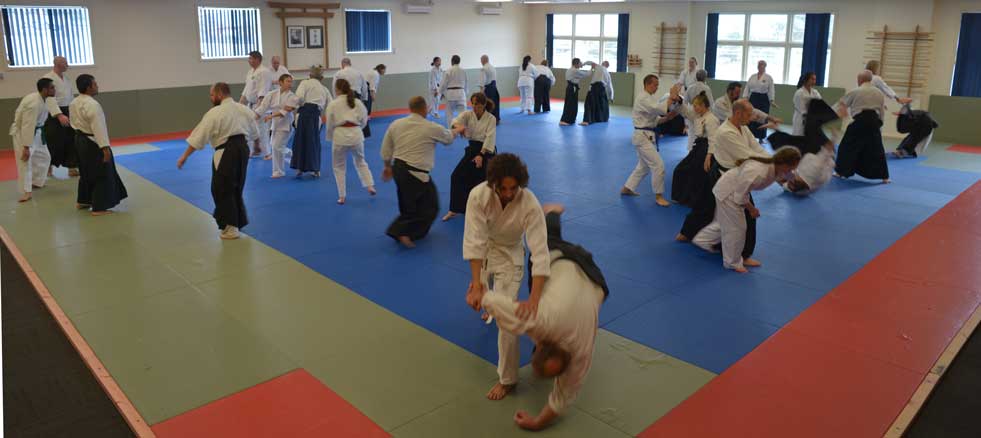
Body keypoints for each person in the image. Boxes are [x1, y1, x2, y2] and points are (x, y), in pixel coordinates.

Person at [466, 203, 608, 431]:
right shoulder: (551, 327)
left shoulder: (577, 353)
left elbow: (563, 397)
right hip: (573, 267)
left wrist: (536, 423)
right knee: (543, 257)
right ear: (542, 342)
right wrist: (481, 297)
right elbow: (507, 307)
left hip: (589, 275)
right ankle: (552, 212)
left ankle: (552, 215)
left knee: (544, 256)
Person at [462, 152, 550, 401]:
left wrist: (534, 299)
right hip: (486, 249)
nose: (509, 193)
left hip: (511, 254)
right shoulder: (478, 195)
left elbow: (540, 252)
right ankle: (489, 300)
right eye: (504, 188)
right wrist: (478, 283)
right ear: (493, 184)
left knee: (507, 320)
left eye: (514, 188)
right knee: (480, 295)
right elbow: (474, 241)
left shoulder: (529, 202)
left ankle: (508, 380)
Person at [677, 100, 772, 268]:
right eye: (749, 114)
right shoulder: (726, 132)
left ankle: (744, 252)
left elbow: (757, 149)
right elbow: (747, 155)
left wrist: (773, 160)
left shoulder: (743, 128)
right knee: (705, 207)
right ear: (738, 113)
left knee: (720, 213)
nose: (751, 117)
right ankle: (687, 232)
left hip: (734, 175)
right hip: (722, 175)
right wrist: (773, 164)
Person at [692, 147, 801, 273]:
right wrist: (752, 209)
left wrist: (799, 181)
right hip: (729, 192)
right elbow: (740, 196)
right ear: (784, 163)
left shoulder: (776, 165)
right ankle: (732, 263)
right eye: (791, 167)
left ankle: (703, 240)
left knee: (726, 223)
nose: (792, 170)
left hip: (732, 188)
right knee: (737, 228)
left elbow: (789, 174)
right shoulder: (759, 172)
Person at [178, 82, 260, 239]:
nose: (211, 97)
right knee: (236, 186)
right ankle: (237, 221)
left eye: (212, 94)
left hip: (226, 151)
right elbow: (255, 132)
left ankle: (231, 227)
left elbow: (199, 137)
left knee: (222, 188)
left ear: (220, 94)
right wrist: (256, 147)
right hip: (243, 149)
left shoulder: (215, 112)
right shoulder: (243, 109)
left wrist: (185, 156)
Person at [380, 96, 455, 247]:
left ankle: (404, 232)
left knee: (408, 204)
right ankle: (401, 232)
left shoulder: (396, 124)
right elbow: (448, 139)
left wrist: (387, 167)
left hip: (398, 169)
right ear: (424, 108)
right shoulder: (430, 126)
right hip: (415, 173)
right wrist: (457, 130)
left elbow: (386, 149)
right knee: (431, 206)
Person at [70, 74, 128, 215]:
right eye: (95, 84)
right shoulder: (93, 105)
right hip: (92, 142)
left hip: (79, 140)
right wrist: (105, 148)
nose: (97, 86)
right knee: (102, 172)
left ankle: (83, 200)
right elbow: (98, 128)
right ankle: (99, 207)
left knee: (85, 171)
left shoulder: (74, 102)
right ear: (89, 87)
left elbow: (73, 123)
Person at [621, 75, 681, 207]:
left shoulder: (649, 98)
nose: (657, 87)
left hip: (646, 135)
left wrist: (669, 117)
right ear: (648, 84)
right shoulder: (643, 98)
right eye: (655, 84)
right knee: (658, 165)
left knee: (643, 166)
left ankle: (627, 188)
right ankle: (659, 196)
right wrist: (671, 96)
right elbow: (658, 109)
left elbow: (655, 119)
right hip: (642, 136)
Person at [443, 93, 497, 221]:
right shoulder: (468, 114)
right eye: (472, 103)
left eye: (477, 104)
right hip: (472, 150)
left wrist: (481, 155)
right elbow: (454, 121)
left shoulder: (491, 118)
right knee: (456, 176)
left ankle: (485, 210)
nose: (474, 106)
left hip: (486, 151)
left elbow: (490, 138)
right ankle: (455, 209)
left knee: (482, 181)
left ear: (483, 105)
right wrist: (459, 127)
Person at [834, 70, 889, 183]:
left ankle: (841, 172)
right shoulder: (879, 93)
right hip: (874, 121)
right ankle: (884, 177)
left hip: (860, 121)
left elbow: (842, 103)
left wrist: (834, 113)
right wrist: (880, 123)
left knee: (847, 146)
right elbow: (881, 110)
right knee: (877, 148)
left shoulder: (856, 91)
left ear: (860, 80)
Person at [326, 79, 375, 205]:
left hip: (340, 136)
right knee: (361, 162)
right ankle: (370, 186)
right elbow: (364, 120)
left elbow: (330, 123)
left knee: (339, 167)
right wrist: (358, 128)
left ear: (336, 89)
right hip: (356, 134)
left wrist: (330, 136)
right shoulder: (357, 102)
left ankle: (342, 196)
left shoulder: (333, 104)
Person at [671, 91, 721, 206]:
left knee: (696, 173)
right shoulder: (698, 115)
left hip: (708, 149)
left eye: (696, 106)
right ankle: (681, 197)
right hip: (698, 147)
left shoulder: (711, 119)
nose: (694, 108)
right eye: (693, 106)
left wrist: (709, 156)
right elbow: (685, 111)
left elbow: (713, 139)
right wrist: (679, 100)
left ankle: (694, 200)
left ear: (703, 106)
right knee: (681, 169)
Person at [10, 78, 55, 202]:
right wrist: (26, 147)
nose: (54, 89)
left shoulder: (43, 99)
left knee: (45, 156)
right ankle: (26, 191)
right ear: (45, 90)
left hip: (37, 132)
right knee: (25, 162)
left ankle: (36, 182)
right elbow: (27, 125)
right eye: (52, 87)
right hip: (24, 134)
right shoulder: (34, 103)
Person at [254, 74, 300, 178]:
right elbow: (262, 108)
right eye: (287, 81)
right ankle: (289, 163)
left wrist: (270, 116)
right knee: (275, 146)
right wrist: (253, 117)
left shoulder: (292, 96)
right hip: (275, 125)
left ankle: (282, 169)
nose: (290, 84)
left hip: (286, 124)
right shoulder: (271, 94)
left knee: (276, 146)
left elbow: (284, 111)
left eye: (290, 82)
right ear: (280, 82)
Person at [42, 56, 79, 177]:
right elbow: (49, 98)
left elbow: (70, 96)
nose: (67, 65)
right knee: (54, 140)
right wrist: (59, 115)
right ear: (58, 64)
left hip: (68, 110)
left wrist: (74, 110)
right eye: (65, 63)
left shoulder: (66, 79)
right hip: (54, 112)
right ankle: (48, 167)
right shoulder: (48, 78)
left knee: (71, 139)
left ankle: (72, 166)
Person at [292, 66, 331, 178]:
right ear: (322, 78)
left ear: (309, 76)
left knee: (300, 141)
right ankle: (316, 169)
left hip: (304, 114)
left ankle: (299, 168)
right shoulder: (325, 89)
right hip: (316, 116)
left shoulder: (305, 83)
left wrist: (296, 106)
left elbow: (299, 97)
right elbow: (331, 105)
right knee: (314, 142)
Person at [239, 51, 274, 159]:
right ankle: (251, 151)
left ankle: (268, 153)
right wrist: (239, 105)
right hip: (250, 104)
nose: (249, 61)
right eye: (249, 58)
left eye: (251, 58)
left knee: (262, 130)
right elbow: (246, 90)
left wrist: (258, 109)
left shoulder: (264, 72)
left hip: (260, 104)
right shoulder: (250, 72)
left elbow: (263, 91)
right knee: (249, 129)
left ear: (258, 59)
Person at [712, 81, 778, 126]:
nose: (738, 95)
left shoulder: (738, 102)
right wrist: (749, 118)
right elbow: (730, 117)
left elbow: (753, 111)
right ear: (730, 91)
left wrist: (770, 118)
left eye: (739, 93)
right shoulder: (720, 102)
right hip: (720, 130)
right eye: (737, 92)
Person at [742, 60, 777, 142]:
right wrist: (745, 97)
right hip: (753, 97)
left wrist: (771, 100)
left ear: (765, 66)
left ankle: (761, 137)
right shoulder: (752, 76)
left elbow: (771, 89)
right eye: (759, 65)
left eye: (762, 65)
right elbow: (747, 87)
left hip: (764, 99)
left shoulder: (768, 77)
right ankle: (751, 136)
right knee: (751, 116)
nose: (760, 67)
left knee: (763, 117)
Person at [683, 69, 714, 150]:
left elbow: (684, 102)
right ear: (705, 78)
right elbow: (710, 103)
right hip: (702, 113)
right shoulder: (706, 88)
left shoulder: (690, 87)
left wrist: (686, 115)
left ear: (696, 77)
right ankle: (698, 151)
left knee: (691, 133)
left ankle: (691, 151)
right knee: (702, 133)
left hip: (692, 111)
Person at [559, 58, 592, 126]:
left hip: (571, 87)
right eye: (579, 63)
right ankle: (564, 120)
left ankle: (570, 119)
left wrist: (583, 65)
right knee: (570, 104)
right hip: (572, 88)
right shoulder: (574, 70)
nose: (580, 64)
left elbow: (581, 75)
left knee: (572, 104)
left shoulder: (571, 70)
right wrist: (592, 68)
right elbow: (586, 74)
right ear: (576, 64)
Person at [581, 61, 613, 126]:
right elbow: (610, 86)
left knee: (589, 103)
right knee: (601, 105)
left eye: (602, 62)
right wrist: (611, 97)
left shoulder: (598, 66)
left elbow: (590, 62)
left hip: (594, 88)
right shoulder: (608, 74)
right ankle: (601, 119)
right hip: (602, 89)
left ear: (603, 64)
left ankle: (587, 121)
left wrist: (583, 64)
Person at [440, 55, 469, 127]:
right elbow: (466, 83)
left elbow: (443, 83)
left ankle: (451, 129)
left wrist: (440, 92)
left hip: (451, 94)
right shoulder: (463, 71)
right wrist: (465, 93)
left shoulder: (448, 70)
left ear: (452, 61)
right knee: (462, 113)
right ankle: (462, 128)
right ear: (459, 61)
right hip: (461, 94)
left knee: (449, 113)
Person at [363, 64, 386, 138]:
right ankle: (365, 121)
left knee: (367, 105)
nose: (384, 71)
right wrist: (373, 96)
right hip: (367, 90)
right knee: (367, 105)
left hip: (365, 89)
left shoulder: (373, 72)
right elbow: (372, 86)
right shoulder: (375, 74)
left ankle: (366, 118)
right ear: (380, 69)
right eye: (384, 70)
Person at [480, 55, 501, 123]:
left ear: (483, 60)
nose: (481, 62)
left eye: (481, 60)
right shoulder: (493, 67)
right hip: (494, 88)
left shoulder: (484, 68)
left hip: (488, 89)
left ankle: (488, 120)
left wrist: (481, 92)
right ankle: (496, 119)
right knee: (495, 103)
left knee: (487, 104)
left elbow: (482, 81)